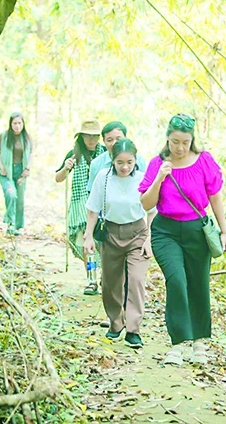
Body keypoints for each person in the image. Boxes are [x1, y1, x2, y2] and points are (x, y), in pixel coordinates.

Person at [139, 113, 226, 366]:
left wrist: (224, 231)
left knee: (198, 284)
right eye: (175, 141)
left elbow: (215, 197)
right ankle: (177, 344)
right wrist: (159, 178)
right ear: (167, 138)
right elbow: (146, 203)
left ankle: (199, 342)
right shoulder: (157, 163)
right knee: (177, 281)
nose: (180, 148)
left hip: (196, 230)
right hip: (165, 231)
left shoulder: (203, 161)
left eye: (185, 142)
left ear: (192, 140)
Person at [84, 138, 154, 348]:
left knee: (136, 280)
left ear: (135, 161)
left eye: (129, 162)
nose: (125, 167)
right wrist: (88, 236)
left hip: (137, 233)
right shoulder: (103, 178)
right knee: (110, 283)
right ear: (112, 160)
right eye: (120, 162)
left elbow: (152, 212)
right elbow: (93, 209)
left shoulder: (143, 180)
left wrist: (149, 239)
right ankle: (116, 323)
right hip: (111, 232)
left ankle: (133, 329)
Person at [55, 119, 105, 294]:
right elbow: (58, 178)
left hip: (101, 203)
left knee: (102, 243)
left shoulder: (105, 153)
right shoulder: (74, 154)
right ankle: (91, 280)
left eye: (95, 136)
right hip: (80, 205)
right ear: (82, 136)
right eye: (88, 136)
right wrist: (66, 167)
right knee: (86, 243)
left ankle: (104, 277)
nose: (91, 140)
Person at [87, 121, 148, 194]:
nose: (114, 143)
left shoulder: (139, 160)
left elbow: (145, 188)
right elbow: (92, 193)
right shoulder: (96, 164)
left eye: (118, 139)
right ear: (104, 141)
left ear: (125, 138)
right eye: (109, 140)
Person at [0, 112, 32, 236]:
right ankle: (10, 223)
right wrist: (2, 167)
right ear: (10, 124)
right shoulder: (4, 136)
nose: (17, 126)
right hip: (7, 171)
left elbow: (31, 154)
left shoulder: (26, 138)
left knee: (20, 200)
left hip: (21, 171)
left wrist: (27, 169)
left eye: (19, 123)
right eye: (15, 123)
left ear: (23, 124)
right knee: (11, 195)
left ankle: (19, 226)